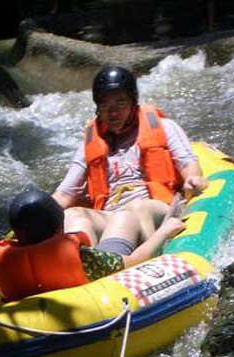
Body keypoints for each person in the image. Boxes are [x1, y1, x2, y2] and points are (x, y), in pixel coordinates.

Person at [52, 65, 208, 253]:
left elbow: (187, 162)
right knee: (73, 214)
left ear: (134, 102)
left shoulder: (163, 127)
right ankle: (84, 267)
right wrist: (36, 214)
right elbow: (65, 195)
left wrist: (193, 177)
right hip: (110, 213)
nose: (113, 113)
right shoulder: (90, 142)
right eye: (105, 106)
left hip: (154, 208)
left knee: (132, 210)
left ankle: (111, 264)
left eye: (120, 104)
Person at [0, 189, 185, 302]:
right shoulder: (84, 259)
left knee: (83, 223)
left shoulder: (3, 266)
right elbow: (136, 261)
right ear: (59, 228)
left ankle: (100, 221)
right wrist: (164, 232)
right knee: (125, 218)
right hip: (94, 290)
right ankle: (130, 219)